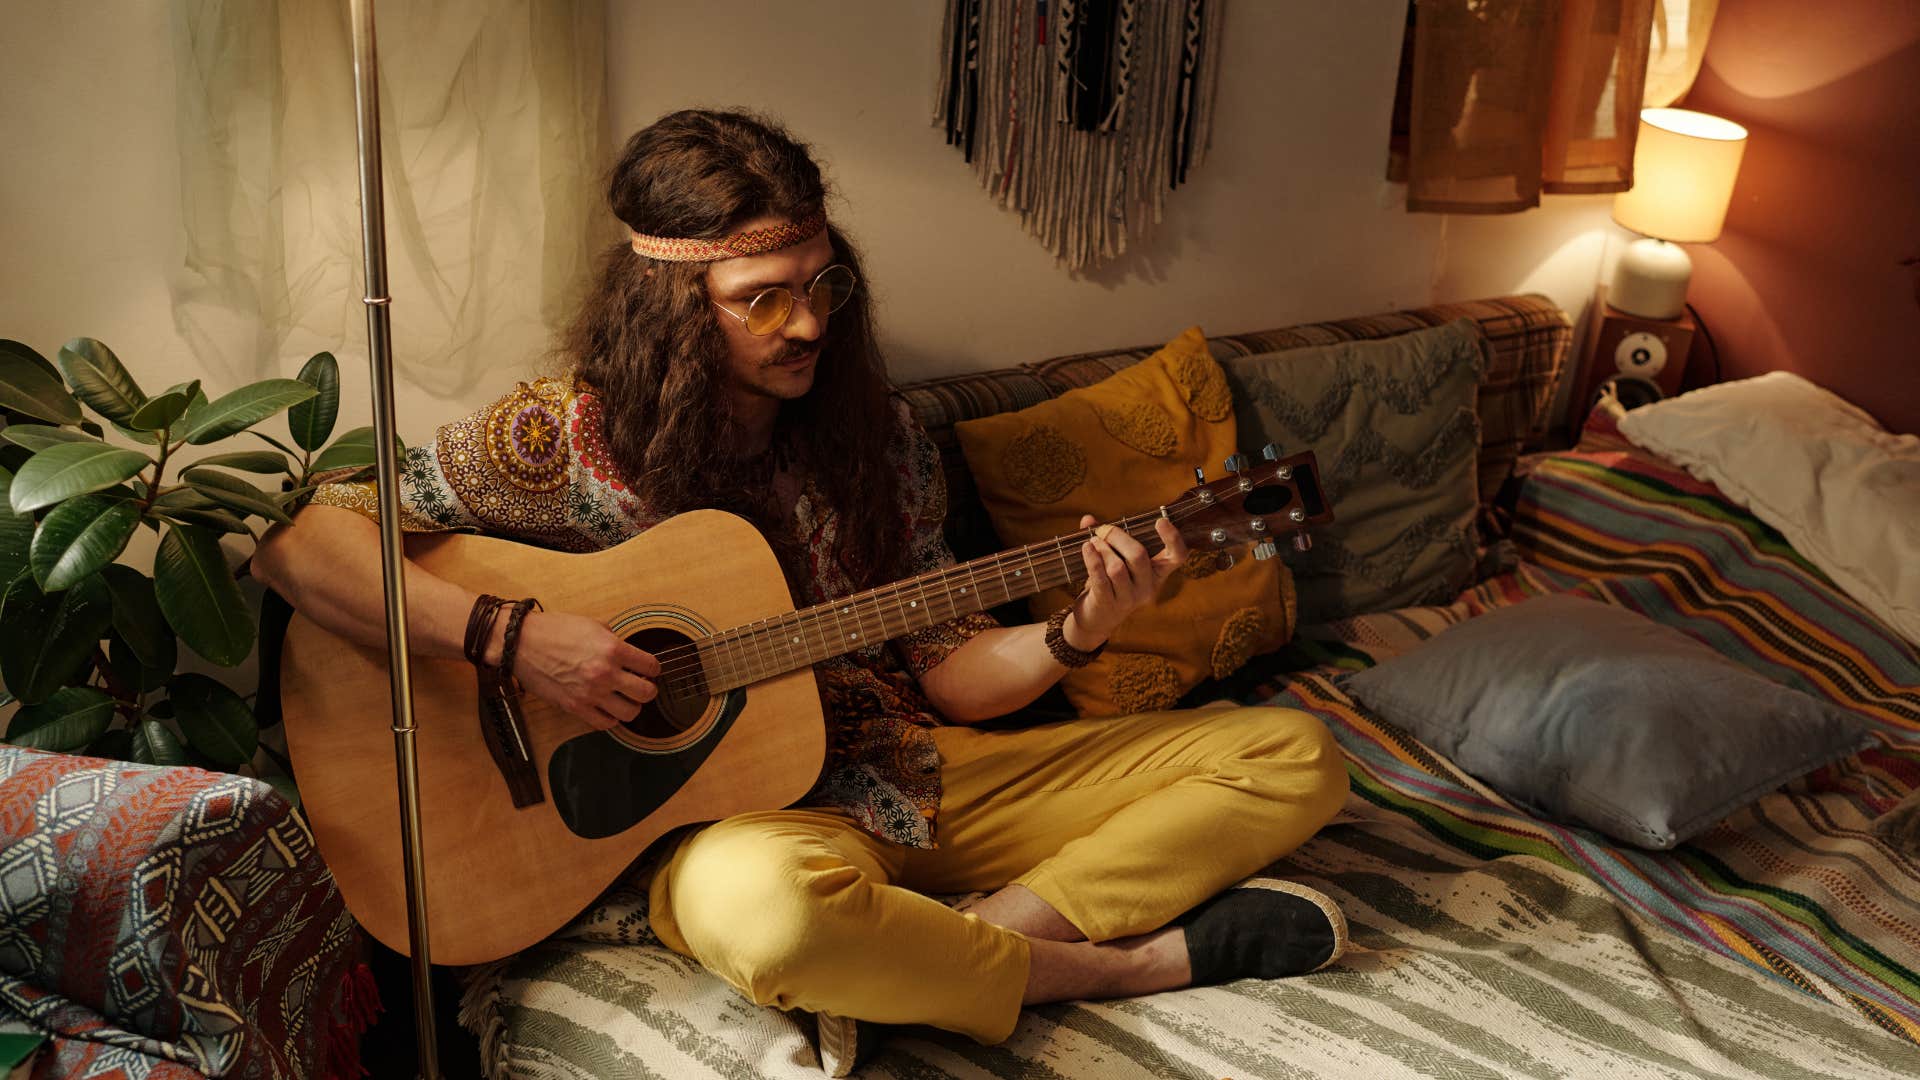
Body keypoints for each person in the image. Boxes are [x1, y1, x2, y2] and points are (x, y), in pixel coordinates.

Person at [253, 107, 1347, 1069]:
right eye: (762, 300)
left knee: (1294, 755)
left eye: (823, 285)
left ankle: (964, 949)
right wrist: (517, 641)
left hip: (908, 774)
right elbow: (299, 543)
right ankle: (1119, 967)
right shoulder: (562, 439)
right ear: (672, 304)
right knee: (767, 920)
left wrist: (1078, 630)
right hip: (724, 831)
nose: (811, 324)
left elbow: (953, 676)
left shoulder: (878, 441)